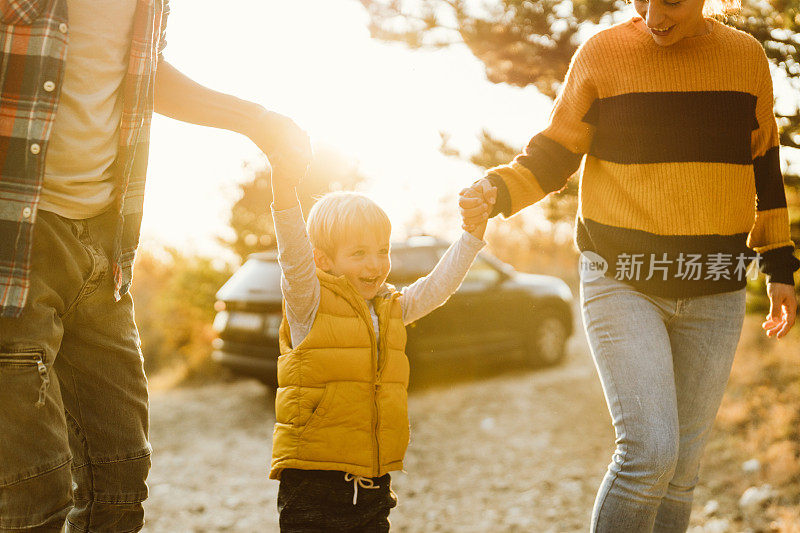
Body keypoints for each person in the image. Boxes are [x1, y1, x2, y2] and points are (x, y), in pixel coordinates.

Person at [460, 0, 799, 531]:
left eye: (670, 2)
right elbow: (556, 151)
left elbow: (764, 159)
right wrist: (499, 187)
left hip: (715, 288)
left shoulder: (745, 57)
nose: (653, 15)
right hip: (621, 278)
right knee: (649, 457)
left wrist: (780, 265)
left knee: (682, 473)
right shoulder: (603, 54)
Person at [0, 1, 310, 530]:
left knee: (119, 478)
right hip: (18, 243)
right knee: (34, 493)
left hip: (107, 243)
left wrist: (254, 120)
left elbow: (143, 74)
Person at [268, 164, 494, 530]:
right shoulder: (307, 302)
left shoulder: (389, 308)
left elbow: (436, 288)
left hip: (373, 482)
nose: (375, 264)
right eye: (358, 253)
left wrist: (470, 238)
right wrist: (283, 186)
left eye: (382, 251)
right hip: (314, 483)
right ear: (323, 259)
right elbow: (292, 254)